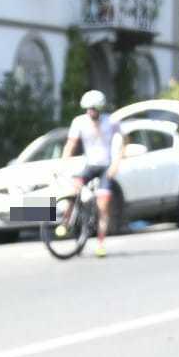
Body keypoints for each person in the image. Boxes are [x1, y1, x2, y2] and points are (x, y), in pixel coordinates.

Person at [56, 90, 126, 257]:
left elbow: (124, 141)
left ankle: (100, 243)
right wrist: (63, 163)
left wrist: (116, 163)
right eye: (87, 109)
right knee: (74, 190)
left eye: (93, 109)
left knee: (103, 206)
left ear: (100, 109)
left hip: (105, 167)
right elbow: (70, 144)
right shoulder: (79, 122)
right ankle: (65, 223)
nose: (90, 112)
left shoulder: (110, 122)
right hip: (90, 165)